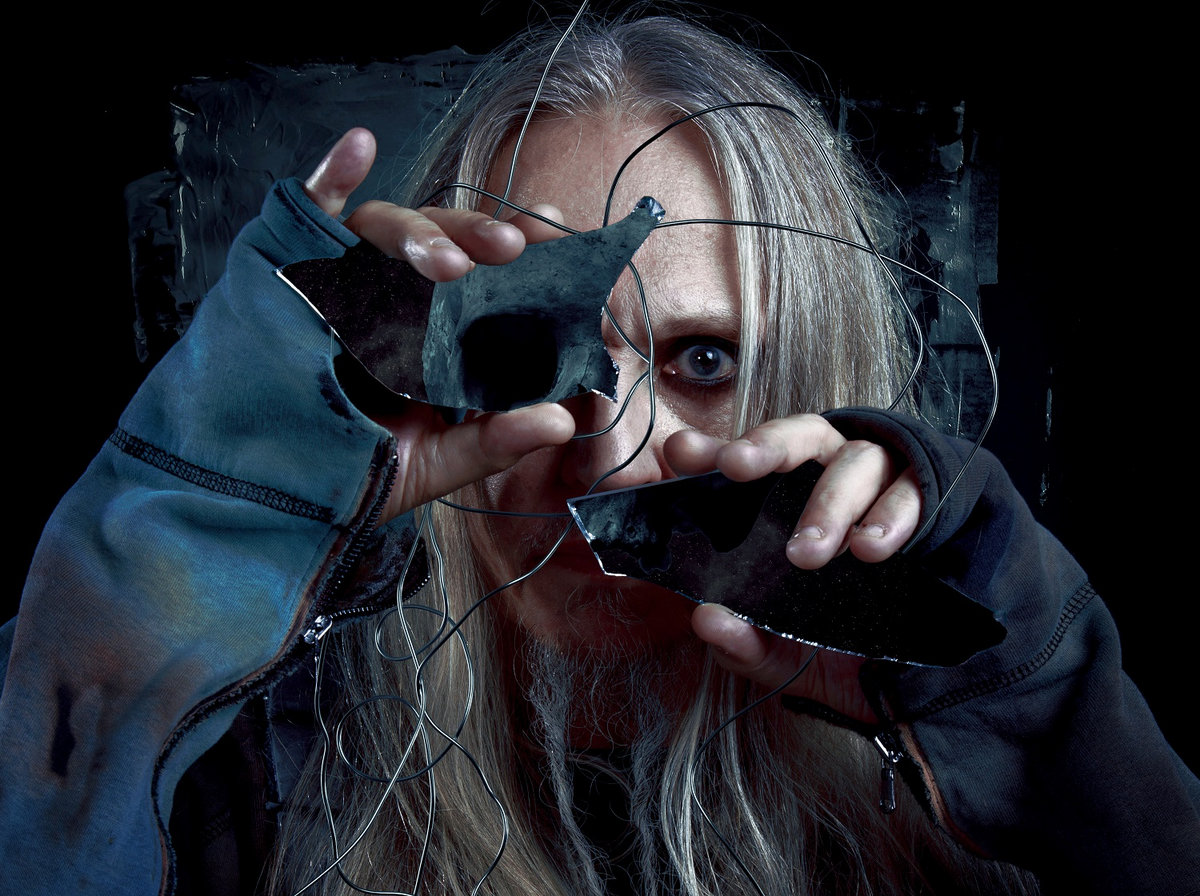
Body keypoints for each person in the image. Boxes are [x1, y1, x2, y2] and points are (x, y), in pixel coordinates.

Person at [1, 12, 1196, 896]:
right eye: (529, 346)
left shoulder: (959, 801)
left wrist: (1061, 742)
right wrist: (129, 611)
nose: (610, 455)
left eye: (704, 360)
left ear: (808, 381)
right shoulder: (243, 789)